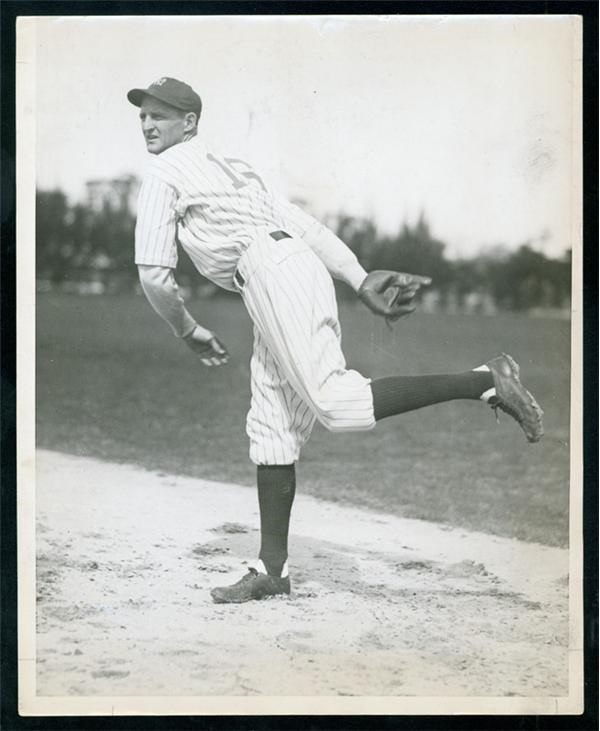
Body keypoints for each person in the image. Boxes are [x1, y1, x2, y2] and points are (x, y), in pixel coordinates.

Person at [127, 77, 544, 604]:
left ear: (189, 122)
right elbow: (301, 223)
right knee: (272, 425)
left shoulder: (166, 170)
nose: (146, 123)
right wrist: (357, 275)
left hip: (272, 272)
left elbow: (154, 275)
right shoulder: (229, 168)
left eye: (159, 114)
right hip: (278, 271)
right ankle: (272, 570)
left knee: (336, 403)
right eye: (142, 114)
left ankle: (483, 380)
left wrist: (187, 330)